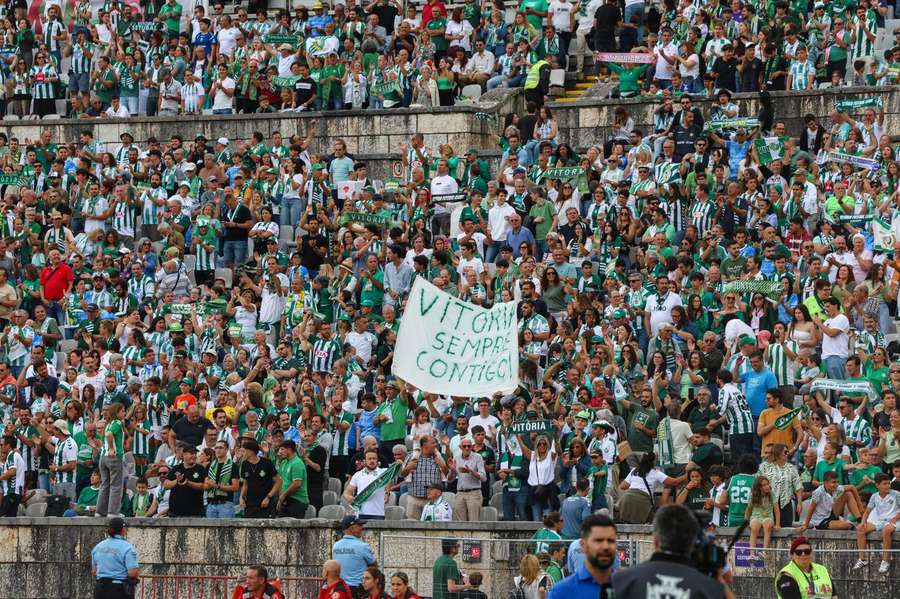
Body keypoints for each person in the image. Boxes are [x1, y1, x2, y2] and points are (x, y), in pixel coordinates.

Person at [613, 504, 728, 598]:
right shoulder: (710, 589)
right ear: (692, 542)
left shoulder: (621, 581)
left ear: (655, 540)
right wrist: (717, 578)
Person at [547, 514, 617, 599]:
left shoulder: (629, 586)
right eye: (598, 541)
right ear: (583, 545)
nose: (606, 546)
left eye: (611, 541)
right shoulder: (561, 592)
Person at [853, 473, 900, 574]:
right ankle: (862, 559)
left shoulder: (896, 494)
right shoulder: (874, 496)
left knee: (887, 530)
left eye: (888, 483)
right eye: (884, 484)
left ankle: (885, 560)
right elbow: (867, 511)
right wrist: (863, 522)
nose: (888, 485)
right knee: (860, 529)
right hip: (880, 521)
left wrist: (895, 518)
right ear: (877, 485)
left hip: (896, 520)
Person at [91, 517, 139, 599]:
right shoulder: (127, 547)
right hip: (118, 590)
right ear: (123, 530)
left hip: (100, 589)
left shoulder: (98, 546)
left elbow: (94, 571)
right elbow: (132, 572)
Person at [332, 515, 377, 599]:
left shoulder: (335, 546)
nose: (362, 528)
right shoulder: (363, 546)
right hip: (357, 589)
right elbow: (374, 565)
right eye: (359, 526)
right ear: (352, 528)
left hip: (339, 589)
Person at [97, 402, 126, 518]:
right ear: (117, 412)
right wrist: (112, 448)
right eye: (123, 411)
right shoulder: (117, 423)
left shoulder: (107, 423)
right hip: (114, 457)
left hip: (102, 458)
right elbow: (109, 435)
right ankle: (113, 512)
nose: (124, 413)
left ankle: (100, 511)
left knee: (104, 485)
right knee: (116, 485)